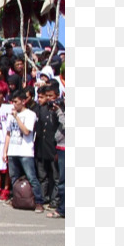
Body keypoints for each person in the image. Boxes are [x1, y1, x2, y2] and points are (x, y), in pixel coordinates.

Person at [3, 90, 45, 212]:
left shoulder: (30, 114)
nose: (14, 104)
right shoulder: (10, 116)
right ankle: (16, 199)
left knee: (31, 177)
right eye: (12, 102)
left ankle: (38, 202)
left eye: (16, 102)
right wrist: (5, 151)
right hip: (13, 151)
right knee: (14, 177)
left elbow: (26, 131)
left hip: (25, 151)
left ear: (23, 101)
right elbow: (8, 134)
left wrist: (17, 117)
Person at [49, 85, 65, 219]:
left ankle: (62, 209)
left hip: (65, 149)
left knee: (63, 181)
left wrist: (60, 112)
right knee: (62, 179)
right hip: (60, 147)